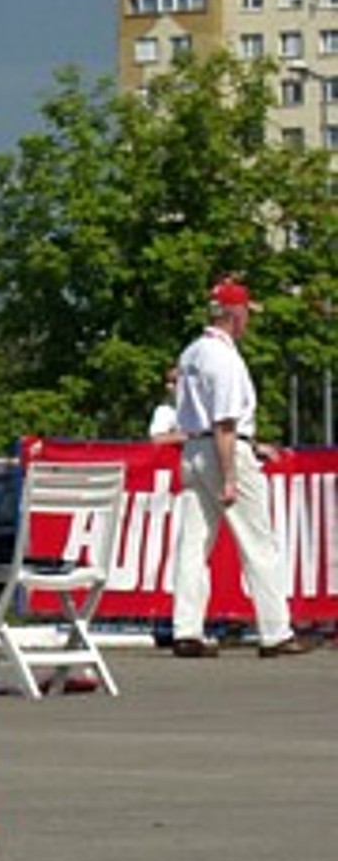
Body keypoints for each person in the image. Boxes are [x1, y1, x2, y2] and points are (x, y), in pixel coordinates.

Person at [169, 278, 320, 659]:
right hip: (224, 450)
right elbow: (224, 421)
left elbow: (198, 413)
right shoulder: (226, 359)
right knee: (258, 542)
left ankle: (186, 628)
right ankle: (275, 631)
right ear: (235, 314)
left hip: (193, 448)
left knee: (193, 542)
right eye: (246, 314)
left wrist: (250, 445)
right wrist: (232, 475)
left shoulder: (191, 353)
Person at [148, 365, 183, 444]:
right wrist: (190, 436)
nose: (169, 386)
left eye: (175, 381)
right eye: (167, 381)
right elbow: (157, 438)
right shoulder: (165, 410)